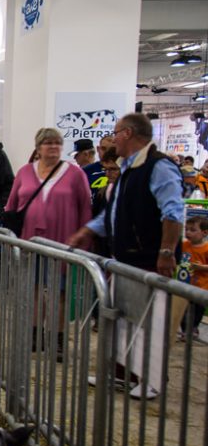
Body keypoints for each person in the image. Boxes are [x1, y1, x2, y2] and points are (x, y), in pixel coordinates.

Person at [68, 112, 184, 400]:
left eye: (116, 132)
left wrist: (166, 252)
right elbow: (114, 212)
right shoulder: (128, 168)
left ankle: (151, 379)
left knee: (151, 321)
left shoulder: (159, 167)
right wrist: (89, 230)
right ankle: (120, 372)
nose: (112, 138)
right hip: (125, 256)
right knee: (121, 317)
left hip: (149, 258)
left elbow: (173, 212)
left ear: (129, 134)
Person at [5, 128, 92, 360]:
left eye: (57, 143)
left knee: (59, 292)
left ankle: (58, 338)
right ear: (38, 147)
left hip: (63, 240)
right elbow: (11, 205)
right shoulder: (24, 172)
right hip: (30, 240)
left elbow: (85, 208)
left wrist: (84, 239)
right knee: (33, 289)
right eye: (47, 143)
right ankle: (35, 334)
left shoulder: (74, 174)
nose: (52, 147)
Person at [179, 216, 208, 341]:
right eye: (186, 229)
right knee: (183, 308)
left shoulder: (206, 248)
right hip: (184, 284)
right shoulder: (184, 245)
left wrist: (201, 267)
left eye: (192, 230)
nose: (188, 233)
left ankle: (193, 328)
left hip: (200, 286)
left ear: (204, 233)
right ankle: (185, 330)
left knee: (197, 310)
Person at [82, 135, 114, 204]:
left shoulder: (123, 170)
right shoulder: (85, 171)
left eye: (111, 149)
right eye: (103, 148)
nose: (107, 152)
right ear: (98, 149)